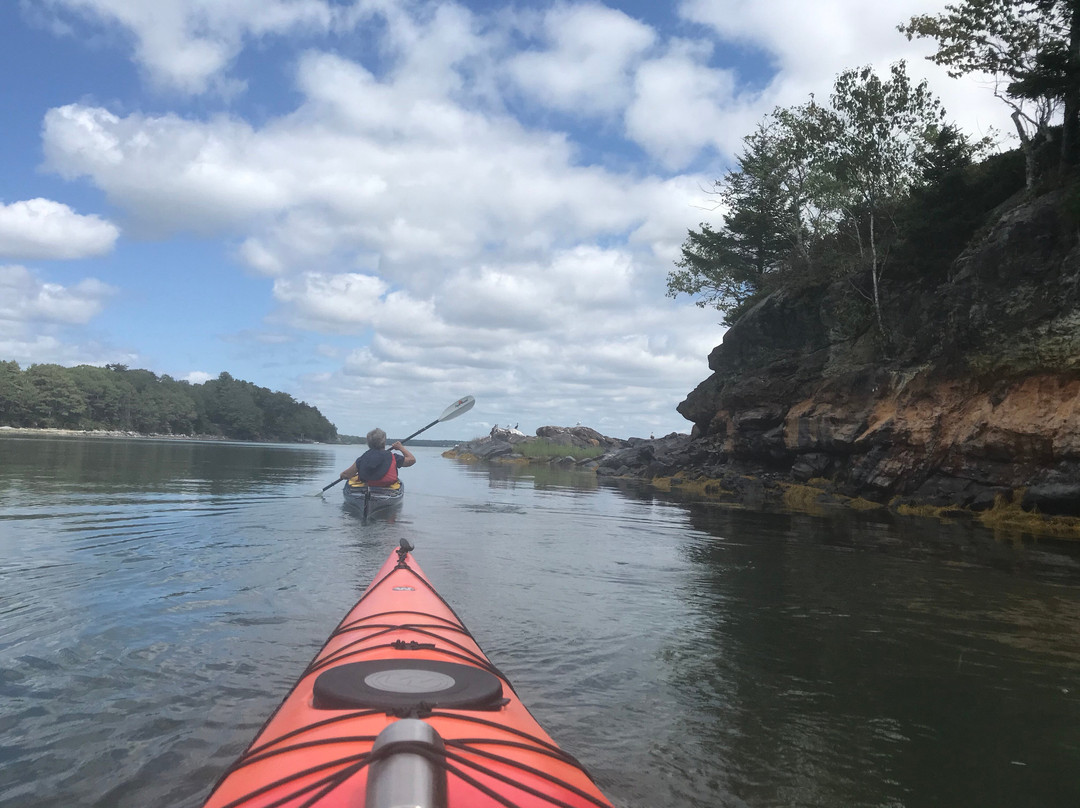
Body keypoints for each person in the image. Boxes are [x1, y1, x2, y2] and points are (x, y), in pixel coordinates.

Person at [339, 428, 416, 487]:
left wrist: (342, 475)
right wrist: (400, 448)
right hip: (387, 490)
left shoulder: (363, 458)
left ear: (369, 443)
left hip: (367, 488)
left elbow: (346, 475)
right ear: (384, 442)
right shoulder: (393, 457)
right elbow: (412, 460)